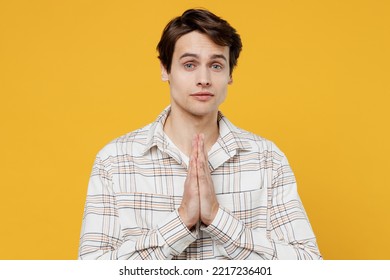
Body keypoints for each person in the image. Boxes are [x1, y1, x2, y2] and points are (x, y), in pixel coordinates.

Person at [78, 8, 322, 260]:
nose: (203, 78)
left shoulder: (267, 159)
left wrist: (217, 218)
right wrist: (181, 221)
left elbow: (309, 264)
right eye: (189, 64)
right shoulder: (115, 160)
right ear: (165, 69)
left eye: (216, 65)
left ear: (230, 74)